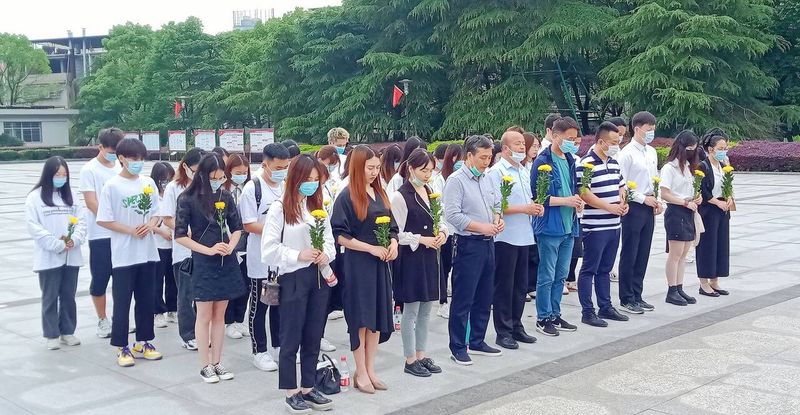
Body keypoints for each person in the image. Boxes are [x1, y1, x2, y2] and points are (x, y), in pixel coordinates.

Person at [262, 154, 337, 412]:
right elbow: (269, 250)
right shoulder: (280, 209)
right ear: (296, 178)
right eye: (308, 179)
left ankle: (308, 386)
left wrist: (326, 253)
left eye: (316, 179)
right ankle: (290, 390)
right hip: (293, 276)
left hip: (318, 276)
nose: (312, 184)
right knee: (291, 336)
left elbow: (329, 239)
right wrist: (298, 255)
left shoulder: (316, 207)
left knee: (313, 334)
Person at [331, 145, 398, 393]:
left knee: (377, 318)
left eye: (377, 168)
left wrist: (393, 243)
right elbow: (340, 235)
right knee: (360, 318)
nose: (374, 172)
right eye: (370, 168)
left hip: (380, 263)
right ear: (358, 167)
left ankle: (371, 369)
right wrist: (370, 248)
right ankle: (360, 370)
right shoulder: (346, 196)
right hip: (358, 264)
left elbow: (393, 227)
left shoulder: (379, 192)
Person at [175, 153, 247, 383]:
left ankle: (217, 362)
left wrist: (231, 246)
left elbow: (237, 227)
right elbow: (180, 235)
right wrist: (207, 250)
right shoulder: (187, 198)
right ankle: (204, 365)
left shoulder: (225, 195)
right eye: (213, 178)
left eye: (220, 177)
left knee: (220, 316)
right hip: (204, 261)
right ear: (202, 175)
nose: (217, 181)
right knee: (204, 315)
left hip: (225, 260)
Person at [96, 138, 163, 367]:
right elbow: (104, 219)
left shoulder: (148, 183)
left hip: (148, 252)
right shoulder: (112, 186)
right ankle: (121, 345)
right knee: (123, 301)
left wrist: (151, 224)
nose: (138, 162)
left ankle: (143, 341)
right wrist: (130, 230)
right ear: (122, 158)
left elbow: (157, 213)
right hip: (124, 254)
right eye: (134, 158)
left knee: (146, 299)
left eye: (141, 159)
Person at [444, 135, 505, 365]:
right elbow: (453, 215)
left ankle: (477, 340)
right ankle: (458, 346)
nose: (486, 162)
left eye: (489, 157)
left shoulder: (488, 178)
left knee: (484, 295)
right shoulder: (456, 180)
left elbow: (497, 203)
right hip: (468, 244)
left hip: (489, 242)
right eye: (482, 158)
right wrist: (482, 227)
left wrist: (498, 220)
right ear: (469, 156)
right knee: (464, 297)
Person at [390, 149, 446, 377]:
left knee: (426, 309)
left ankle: (421, 355)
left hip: (430, 256)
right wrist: (421, 239)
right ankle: (409, 358)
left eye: (430, 170)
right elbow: (396, 233)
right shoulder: (400, 196)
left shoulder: (430, 191)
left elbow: (441, 218)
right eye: (423, 170)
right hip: (411, 258)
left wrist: (442, 233)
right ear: (410, 168)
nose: (427, 175)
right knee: (411, 310)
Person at [488, 131, 542, 349]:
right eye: (517, 144)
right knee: (504, 286)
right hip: (506, 237)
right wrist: (524, 208)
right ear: (505, 148)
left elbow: (528, 198)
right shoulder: (497, 172)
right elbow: (495, 205)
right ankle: (503, 331)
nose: (522, 147)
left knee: (520, 286)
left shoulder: (524, 170)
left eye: (523, 144)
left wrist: (535, 208)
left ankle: (517, 326)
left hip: (524, 235)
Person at [530, 117, 583, 337]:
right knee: (547, 275)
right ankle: (543, 317)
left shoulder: (569, 159)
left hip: (569, 226)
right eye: (568, 138)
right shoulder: (542, 161)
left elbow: (572, 188)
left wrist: (577, 201)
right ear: (554, 135)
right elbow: (538, 197)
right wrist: (566, 201)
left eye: (575, 139)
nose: (572, 142)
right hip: (550, 227)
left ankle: (555, 314)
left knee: (561, 275)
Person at [25, 156, 86, 350]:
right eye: (57, 174)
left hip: (71, 254)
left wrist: (74, 240)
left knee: (68, 295)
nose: (61, 178)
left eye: (64, 174)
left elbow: (82, 222)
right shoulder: (35, 197)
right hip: (49, 255)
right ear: (48, 174)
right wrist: (56, 244)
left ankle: (67, 331)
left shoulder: (72, 196)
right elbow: (34, 227)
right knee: (50, 296)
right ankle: (51, 334)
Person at [241, 143, 290, 371]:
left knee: (280, 305)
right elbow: (249, 224)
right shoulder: (253, 188)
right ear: (265, 164)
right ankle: (259, 351)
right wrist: (276, 230)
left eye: (286, 167)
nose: (282, 172)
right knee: (259, 306)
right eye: (278, 168)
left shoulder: (286, 186)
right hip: (260, 259)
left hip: (282, 258)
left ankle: (279, 346)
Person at [575, 122, 630, 327]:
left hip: (614, 224)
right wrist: (609, 207)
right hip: (595, 226)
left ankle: (605, 306)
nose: (617, 146)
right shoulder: (586, 164)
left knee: (605, 268)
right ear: (601, 142)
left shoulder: (614, 163)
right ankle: (587, 311)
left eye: (619, 142)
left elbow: (621, 186)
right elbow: (584, 193)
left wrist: (623, 203)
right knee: (589, 268)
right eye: (613, 142)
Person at [615, 111, 663, 314]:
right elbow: (622, 184)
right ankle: (626, 297)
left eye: (653, 129)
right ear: (637, 129)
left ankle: (637, 293)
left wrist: (656, 200)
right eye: (648, 129)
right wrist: (643, 198)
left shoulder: (651, 152)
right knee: (630, 251)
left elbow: (654, 179)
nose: (651, 132)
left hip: (649, 204)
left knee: (643, 251)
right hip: (634, 206)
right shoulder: (626, 153)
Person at [80, 127, 122, 338]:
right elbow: (91, 202)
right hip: (100, 235)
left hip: (121, 235)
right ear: (101, 147)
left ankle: (120, 319)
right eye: (111, 151)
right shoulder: (90, 170)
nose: (114, 155)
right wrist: (111, 221)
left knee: (122, 279)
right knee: (100, 278)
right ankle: (102, 319)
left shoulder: (121, 167)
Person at [161, 147, 205, 351]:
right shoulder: (174, 188)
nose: (199, 175)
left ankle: (201, 331)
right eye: (196, 170)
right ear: (185, 167)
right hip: (183, 250)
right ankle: (188, 334)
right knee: (186, 294)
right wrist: (185, 229)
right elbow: (167, 218)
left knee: (202, 294)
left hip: (204, 249)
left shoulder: (205, 186)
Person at [659, 130, 701, 306]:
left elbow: (690, 190)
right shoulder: (670, 168)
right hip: (676, 212)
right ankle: (671, 290)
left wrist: (697, 198)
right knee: (675, 254)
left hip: (689, 210)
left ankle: (679, 287)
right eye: (689, 149)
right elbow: (665, 193)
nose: (692, 152)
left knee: (684, 253)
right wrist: (684, 202)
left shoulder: (689, 168)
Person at [696, 129, 733, 297]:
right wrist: (717, 202)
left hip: (722, 211)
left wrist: (729, 198)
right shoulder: (703, 166)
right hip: (709, 211)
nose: (723, 151)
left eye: (725, 148)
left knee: (721, 245)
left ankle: (715, 280)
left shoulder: (724, 166)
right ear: (711, 149)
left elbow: (728, 186)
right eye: (720, 148)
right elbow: (703, 191)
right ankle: (704, 283)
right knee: (707, 246)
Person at [433, 144, 464, 319]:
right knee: (444, 267)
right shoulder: (440, 180)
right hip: (446, 229)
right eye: (457, 158)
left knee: (456, 267)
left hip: (459, 229)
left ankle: (454, 301)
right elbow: (438, 205)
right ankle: (442, 302)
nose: (460, 162)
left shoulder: (460, 178)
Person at [224, 153, 252, 339]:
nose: (241, 176)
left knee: (245, 284)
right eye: (237, 172)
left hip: (247, 243)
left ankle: (240, 319)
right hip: (229, 243)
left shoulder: (248, 188)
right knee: (231, 285)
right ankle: (229, 322)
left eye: (244, 172)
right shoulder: (223, 190)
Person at [150, 162, 176, 329]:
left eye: (170, 179)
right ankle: (158, 312)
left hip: (174, 244)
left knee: (173, 279)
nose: (167, 183)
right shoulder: (152, 197)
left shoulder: (173, 194)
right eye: (164, 180)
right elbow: (147, 222)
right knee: (157, 280)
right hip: (158, 245)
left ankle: (173, 309)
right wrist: (161, 232)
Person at [522, 132, 542, 300]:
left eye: (537, 146)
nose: (535, 149)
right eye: (533, 146)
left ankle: (531, 285)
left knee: (534, 252)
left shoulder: (535, 165)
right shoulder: (521, 167)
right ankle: (525, 286)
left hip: (533, 214)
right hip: (523, 215)